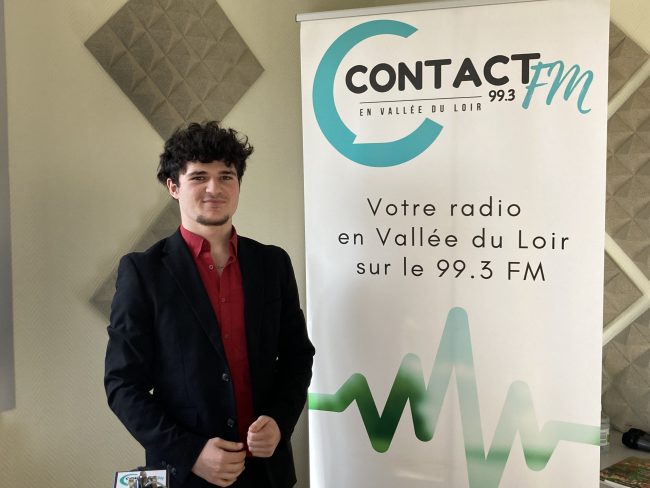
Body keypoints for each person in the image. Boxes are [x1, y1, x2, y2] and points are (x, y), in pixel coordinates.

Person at [104, 121, 315, 488]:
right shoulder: (143, 272)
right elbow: (122, 385)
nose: (214, 189)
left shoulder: (273, 263)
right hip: (187, 474)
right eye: (199, 177)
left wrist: (280, 421)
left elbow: (298, 357)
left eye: (226, 177)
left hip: (267, 473)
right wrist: (191, 453)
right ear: (173, 187)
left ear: (238, 185)